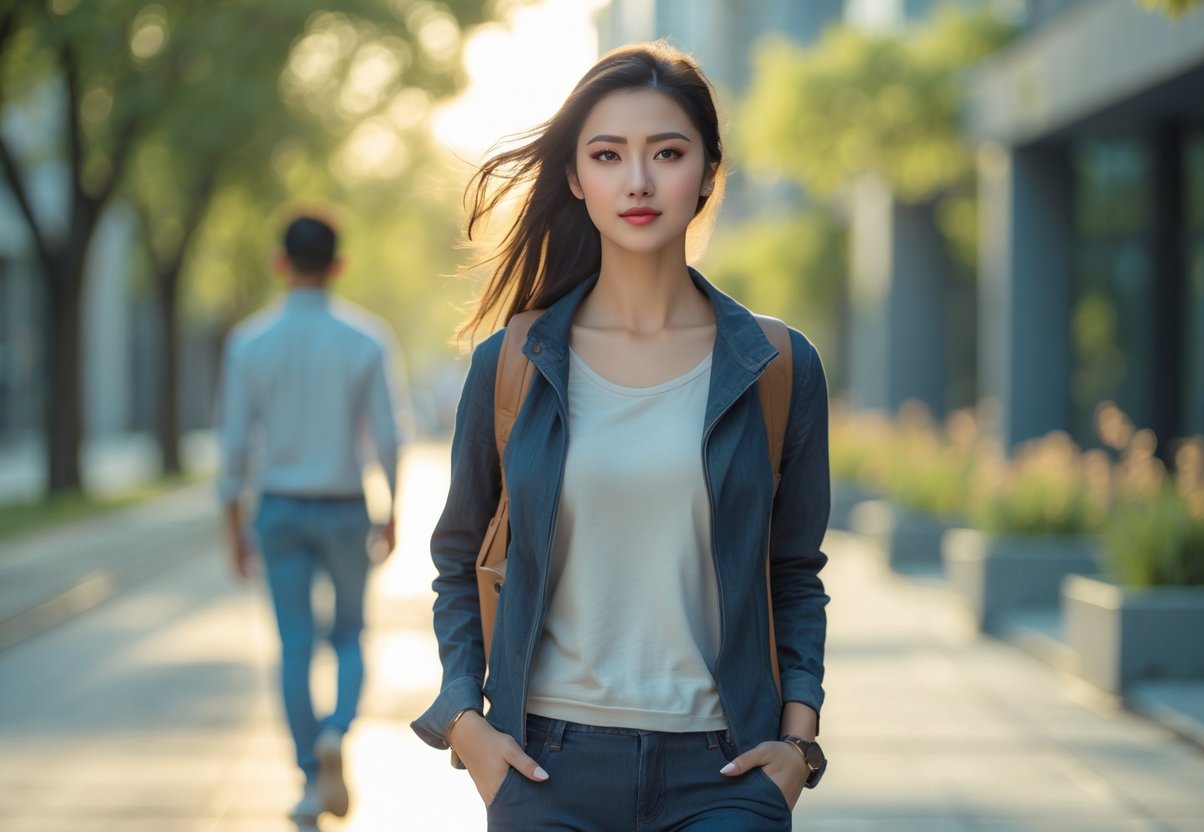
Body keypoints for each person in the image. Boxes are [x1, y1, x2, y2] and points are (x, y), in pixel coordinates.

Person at [411, 42, 830, 831]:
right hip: (546, 768)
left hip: (727, 770)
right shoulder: (513, 364)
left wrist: (796, 746)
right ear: (576, 178)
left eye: (666, 153)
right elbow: (457, 557)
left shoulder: (775, 365)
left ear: (707, 170)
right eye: (608, 155)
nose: (637, 180)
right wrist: (467, 726)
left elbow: (793, 571)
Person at [217, 214, 403, 824]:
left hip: (278, 509)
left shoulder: (249, 342)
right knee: (350, 634)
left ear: (280, 263)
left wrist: (233, 526)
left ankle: (306, 776)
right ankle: (336, 732)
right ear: (338, 265)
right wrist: (393, 506)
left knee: (294, 645)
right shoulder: (366, 339)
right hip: (347, 507)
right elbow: (387, 435)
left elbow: (234, 445)